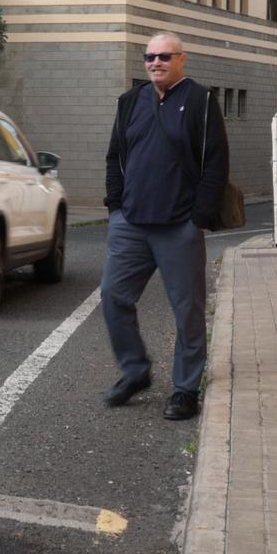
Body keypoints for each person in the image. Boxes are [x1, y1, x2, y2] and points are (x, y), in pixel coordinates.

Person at [100, 31, 229, 420]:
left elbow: (215, 163)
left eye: (164, 56)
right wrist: (116, 208)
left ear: (181, 59)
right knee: (113, 297)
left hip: (179, 226)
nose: (156, 62)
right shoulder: (129, 103)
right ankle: (135, 370)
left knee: (187, 311)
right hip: (131, 224)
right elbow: (114, 158)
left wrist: (199, 219)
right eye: (150, 57)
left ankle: (185, 389)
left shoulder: (200, 100)